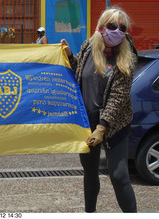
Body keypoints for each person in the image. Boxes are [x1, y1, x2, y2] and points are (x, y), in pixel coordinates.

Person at [61, 7, 137, 212]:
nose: (118, 31)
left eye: (122, 28)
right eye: (113, 26)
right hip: (87, 121)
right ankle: (90, 213)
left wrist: (102, 128)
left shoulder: (127, 56)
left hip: (114, 124)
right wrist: (69, 56)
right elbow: (80, 73)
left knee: (119, 175)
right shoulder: (88, 46)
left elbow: (118, 97)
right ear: (102, 27)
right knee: (90, 172)